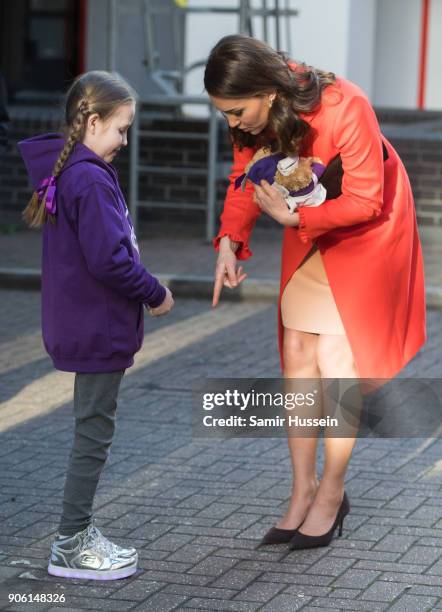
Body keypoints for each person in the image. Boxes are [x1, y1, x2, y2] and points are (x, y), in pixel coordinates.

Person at [204, 35, 426, 550]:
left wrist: (296, 216)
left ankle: (332, 490)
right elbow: (244, 175)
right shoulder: (253, 119)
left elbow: (368, 199)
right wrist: (230, 242)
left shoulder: (346, 106)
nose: (233, 124)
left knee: (333, 352)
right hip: (307, 221)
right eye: (225, 115)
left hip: (369, 227)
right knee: (299, 349)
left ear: (268, 91)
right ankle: (301, 490)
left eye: (237, 112)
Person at [18, 71, 174, 580]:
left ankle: (76, 534)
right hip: (98, 328)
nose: (124, 141)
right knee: (94, 432)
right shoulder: (87, 177)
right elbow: (110, 259)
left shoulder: (75, 173)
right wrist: (156, 293)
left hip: (87, 324)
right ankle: (70, 543)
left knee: (93, 429)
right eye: (121, 129)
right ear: (91, 121)